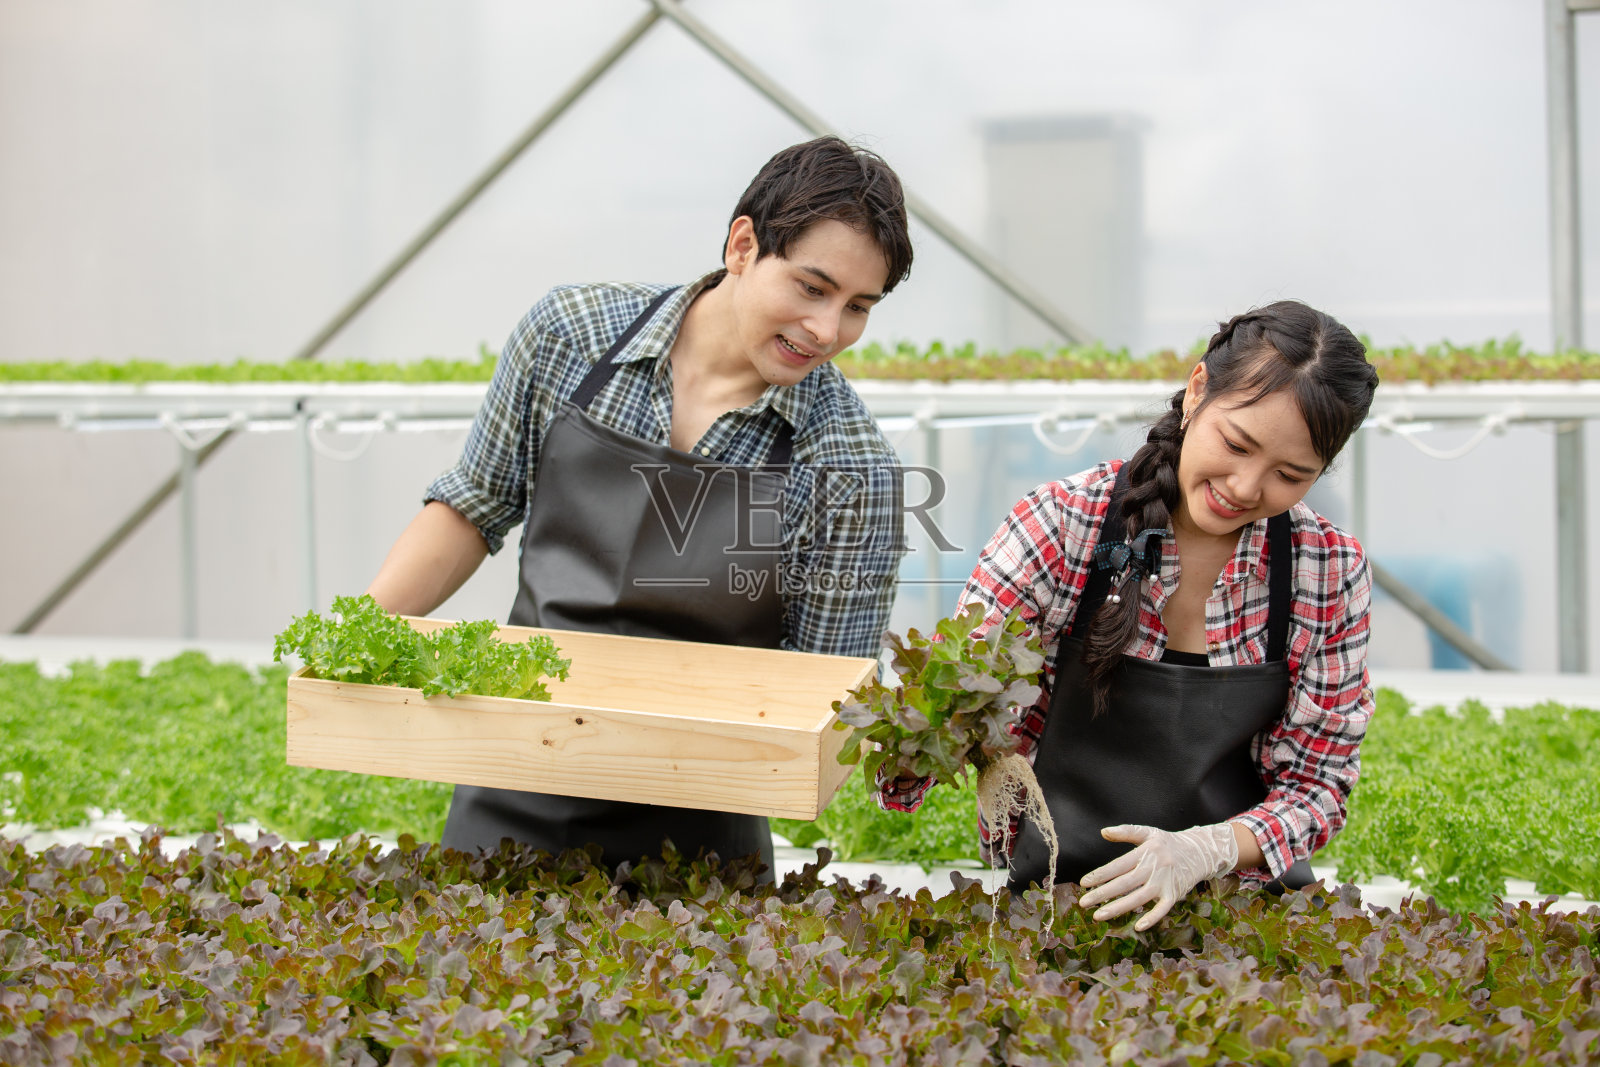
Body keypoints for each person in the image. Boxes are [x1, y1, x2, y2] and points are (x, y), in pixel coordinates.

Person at [365, 136, 913, 880]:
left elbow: (822, 688)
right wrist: (357, 641)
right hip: (510, 794)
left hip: (697, 849)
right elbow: (473, 508)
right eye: (812, 288)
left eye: (858, 308)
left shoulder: (851, 464)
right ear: (744, 245)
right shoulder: (570, 337)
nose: (827, 331)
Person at [881, 300, 1379, 930]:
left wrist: (1209, 849)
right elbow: (965, 682)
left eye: (1289, 474)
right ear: (1197, 391)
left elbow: (1319, 787)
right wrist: (920, 739)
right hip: (1066, 897)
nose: (1247, 487)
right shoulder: (1064, 525)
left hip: (1242, 909)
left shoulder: (1326, 569)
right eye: (1236, 444)